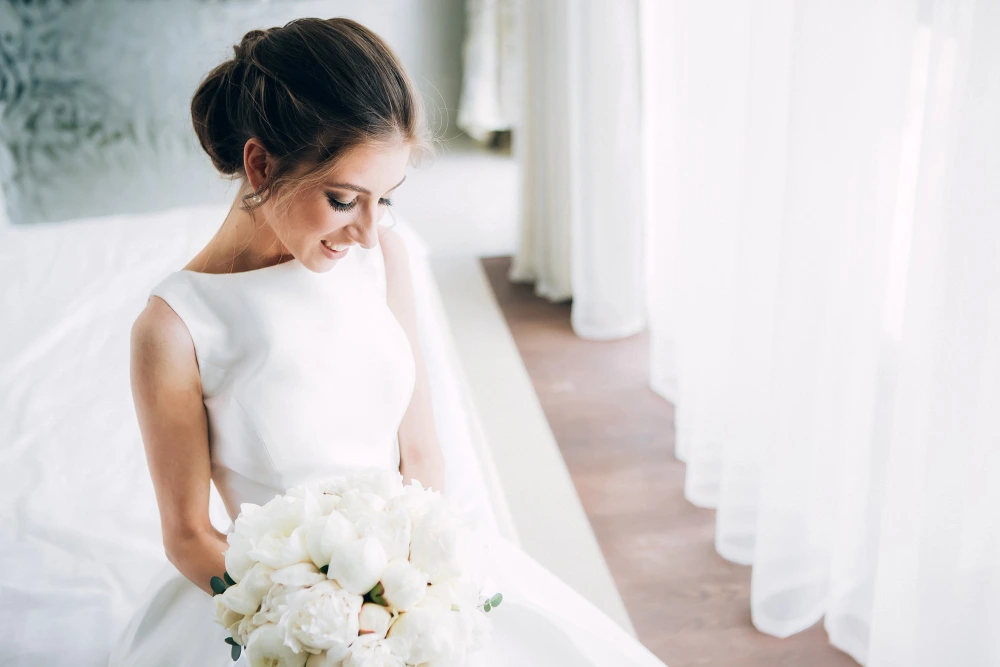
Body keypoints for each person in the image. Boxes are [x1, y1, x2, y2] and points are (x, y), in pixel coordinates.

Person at [108, 17, 667, 666]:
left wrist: (411, 602)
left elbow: (421, 454)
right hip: (284, 615)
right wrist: (317, 631)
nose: (369, 232)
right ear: (260, 164)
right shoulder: (175, 328)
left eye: (386, 200)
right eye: (344, 199)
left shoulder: (383, 259)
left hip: (411, 590)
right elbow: (188, 535)